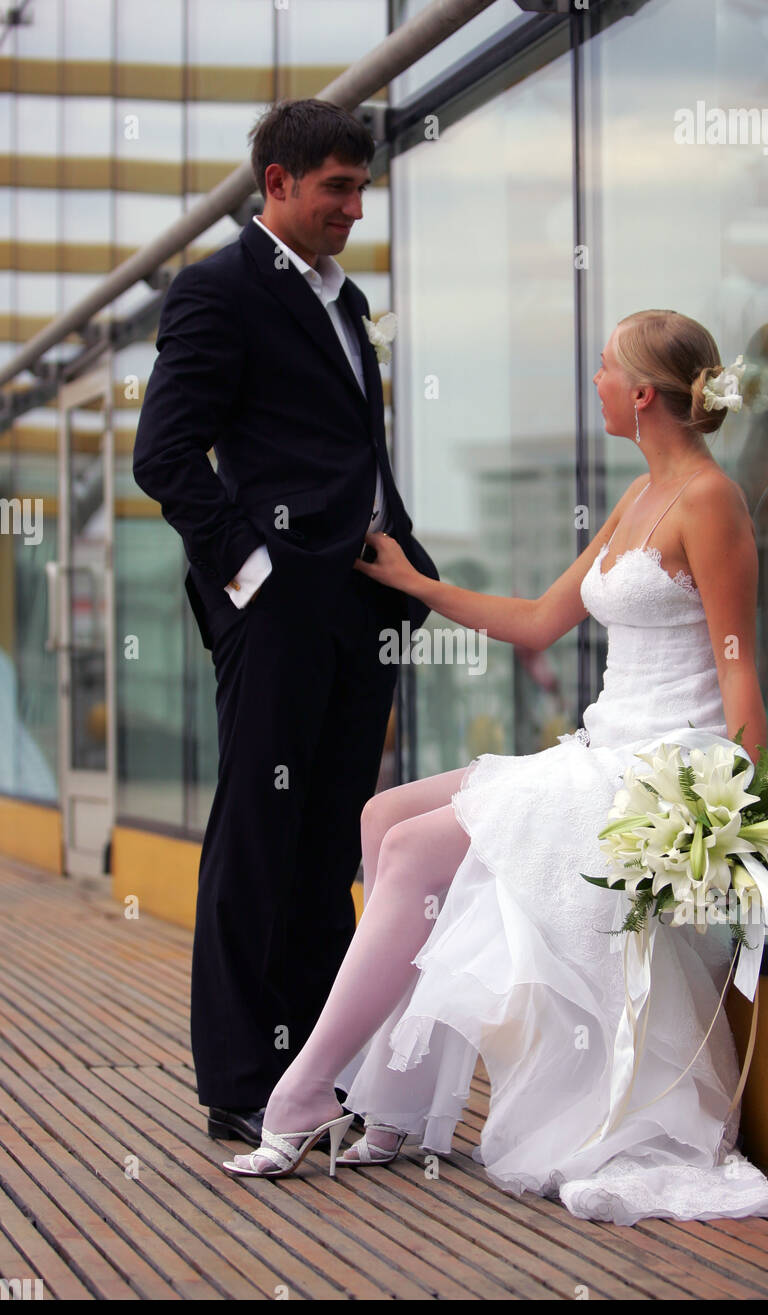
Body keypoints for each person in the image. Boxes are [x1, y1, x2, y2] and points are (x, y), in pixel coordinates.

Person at [223, 309, 768, 1224]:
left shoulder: (709, 502)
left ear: (642, 394)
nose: (595, 381)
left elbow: (740, 670)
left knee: (407, 853)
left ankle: (304, 1092)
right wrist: (412, 582)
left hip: (655, 768)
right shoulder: (638, 497)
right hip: (600, 748)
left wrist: (730, 819)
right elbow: (536, 620)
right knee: (381, 818)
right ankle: (395, 1105)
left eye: (605, 369)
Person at [132, 98, 439, 1147]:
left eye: (361, 187)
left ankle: (314, 1072)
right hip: (279, 607)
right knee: (260, 838)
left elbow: (351, 452)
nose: (355, 207)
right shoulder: (216, 292)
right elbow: (163, 457)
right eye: (335, 188)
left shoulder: (344, 304)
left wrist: (397, 551)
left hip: (361, 600)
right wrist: (253, 574)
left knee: (326, 843)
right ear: (276, 184)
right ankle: (240, 1082)